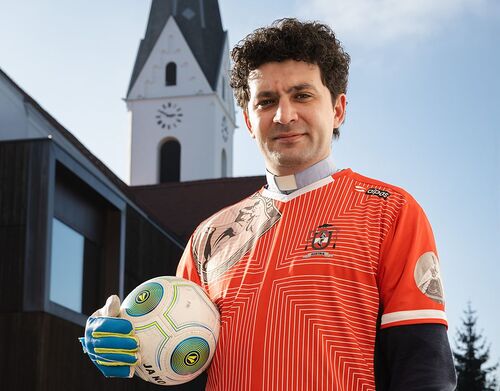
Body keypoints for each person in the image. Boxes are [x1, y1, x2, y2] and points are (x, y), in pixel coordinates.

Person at [81, 18, 457, 390]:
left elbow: (423, 366)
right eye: (266, 101)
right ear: (248, 119)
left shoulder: (389, 210)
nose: (284, 115)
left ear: (338, 109)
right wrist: (128, 345)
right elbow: (179, 368)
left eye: (302, 95)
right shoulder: (208, 236)